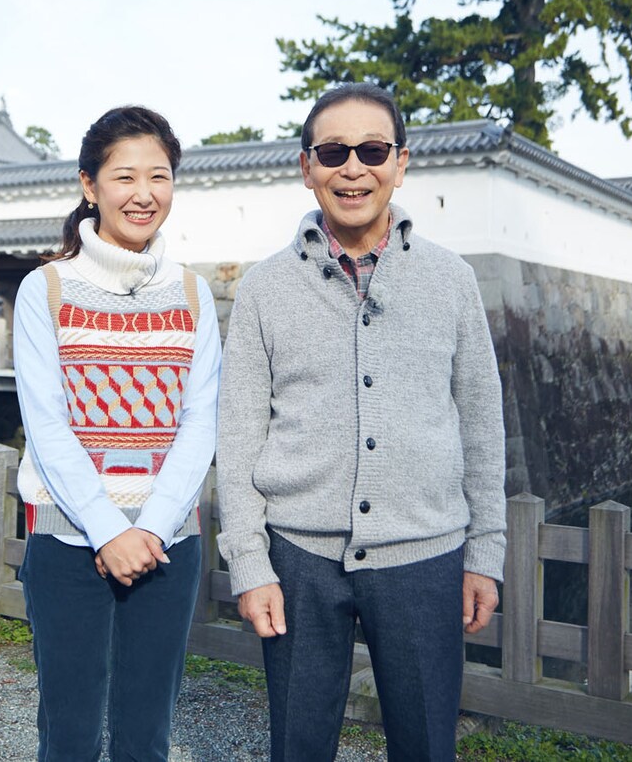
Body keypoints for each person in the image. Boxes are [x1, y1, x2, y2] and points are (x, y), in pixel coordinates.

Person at [215, 83, 506, 761]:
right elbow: (238, 433)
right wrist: (250, 560)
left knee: (427, 742)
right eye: (334, 151)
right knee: (298, 742)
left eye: (372, 150)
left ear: (400, 163)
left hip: (425, 552)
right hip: (298, 556)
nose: (354, 168)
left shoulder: (451, 280)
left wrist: (485, 551)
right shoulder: (263, 288)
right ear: (306, 166)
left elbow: (483, 424)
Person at [13, 105, 221, 762]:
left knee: (146, 735)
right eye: (124, 176)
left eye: (158, 176)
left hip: (166, 542)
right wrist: (108, 528)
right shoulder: (44, 288)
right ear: (89, 185)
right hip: (69, 538)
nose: (143, 193)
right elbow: (47, 422)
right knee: (69, 735)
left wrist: (149, 528)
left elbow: (200, 420)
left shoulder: (193, 293)